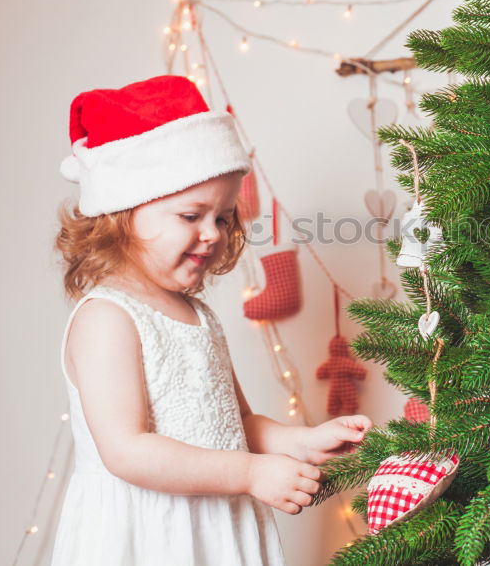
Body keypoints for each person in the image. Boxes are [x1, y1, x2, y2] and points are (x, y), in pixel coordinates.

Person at [49, 74, 372, 565]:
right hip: (151, 531)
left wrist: (300, 442)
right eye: (191, 215)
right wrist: (250, 475)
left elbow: (238, 423)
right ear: (121, 213)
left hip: (218, 521)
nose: (213, 234)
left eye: (223, 218)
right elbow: (128, 451)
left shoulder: (198, 315)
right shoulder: (108, 319)